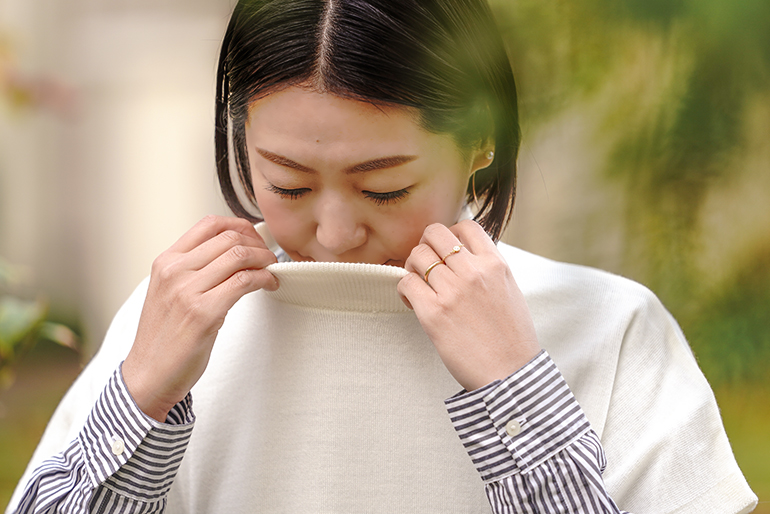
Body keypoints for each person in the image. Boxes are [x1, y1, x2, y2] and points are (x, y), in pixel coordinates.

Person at [7, 0, 758, 512]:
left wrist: (517, 393)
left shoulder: (610, 326)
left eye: (387, 187)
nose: (334, 232)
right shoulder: (175, 319)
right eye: (289, 184)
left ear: (481, 142)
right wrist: (142, 399)